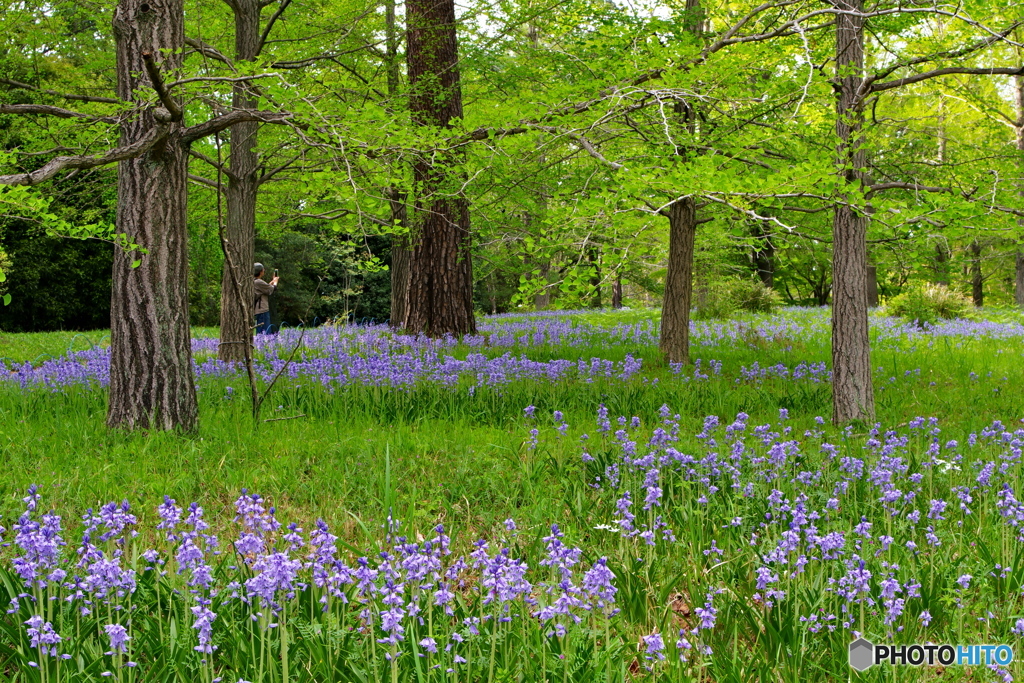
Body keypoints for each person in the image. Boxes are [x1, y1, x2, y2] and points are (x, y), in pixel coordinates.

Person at [254, 263, 280, 335]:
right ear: (260, 272)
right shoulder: (258, 282)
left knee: (261, 329)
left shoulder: (254, 281)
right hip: (262, 309)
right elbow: (272, 289)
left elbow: (266, 287)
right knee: (264, 330)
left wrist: (272, 281)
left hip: (258, 310)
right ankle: (264, 344)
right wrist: (275, 282)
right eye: (263, 270)